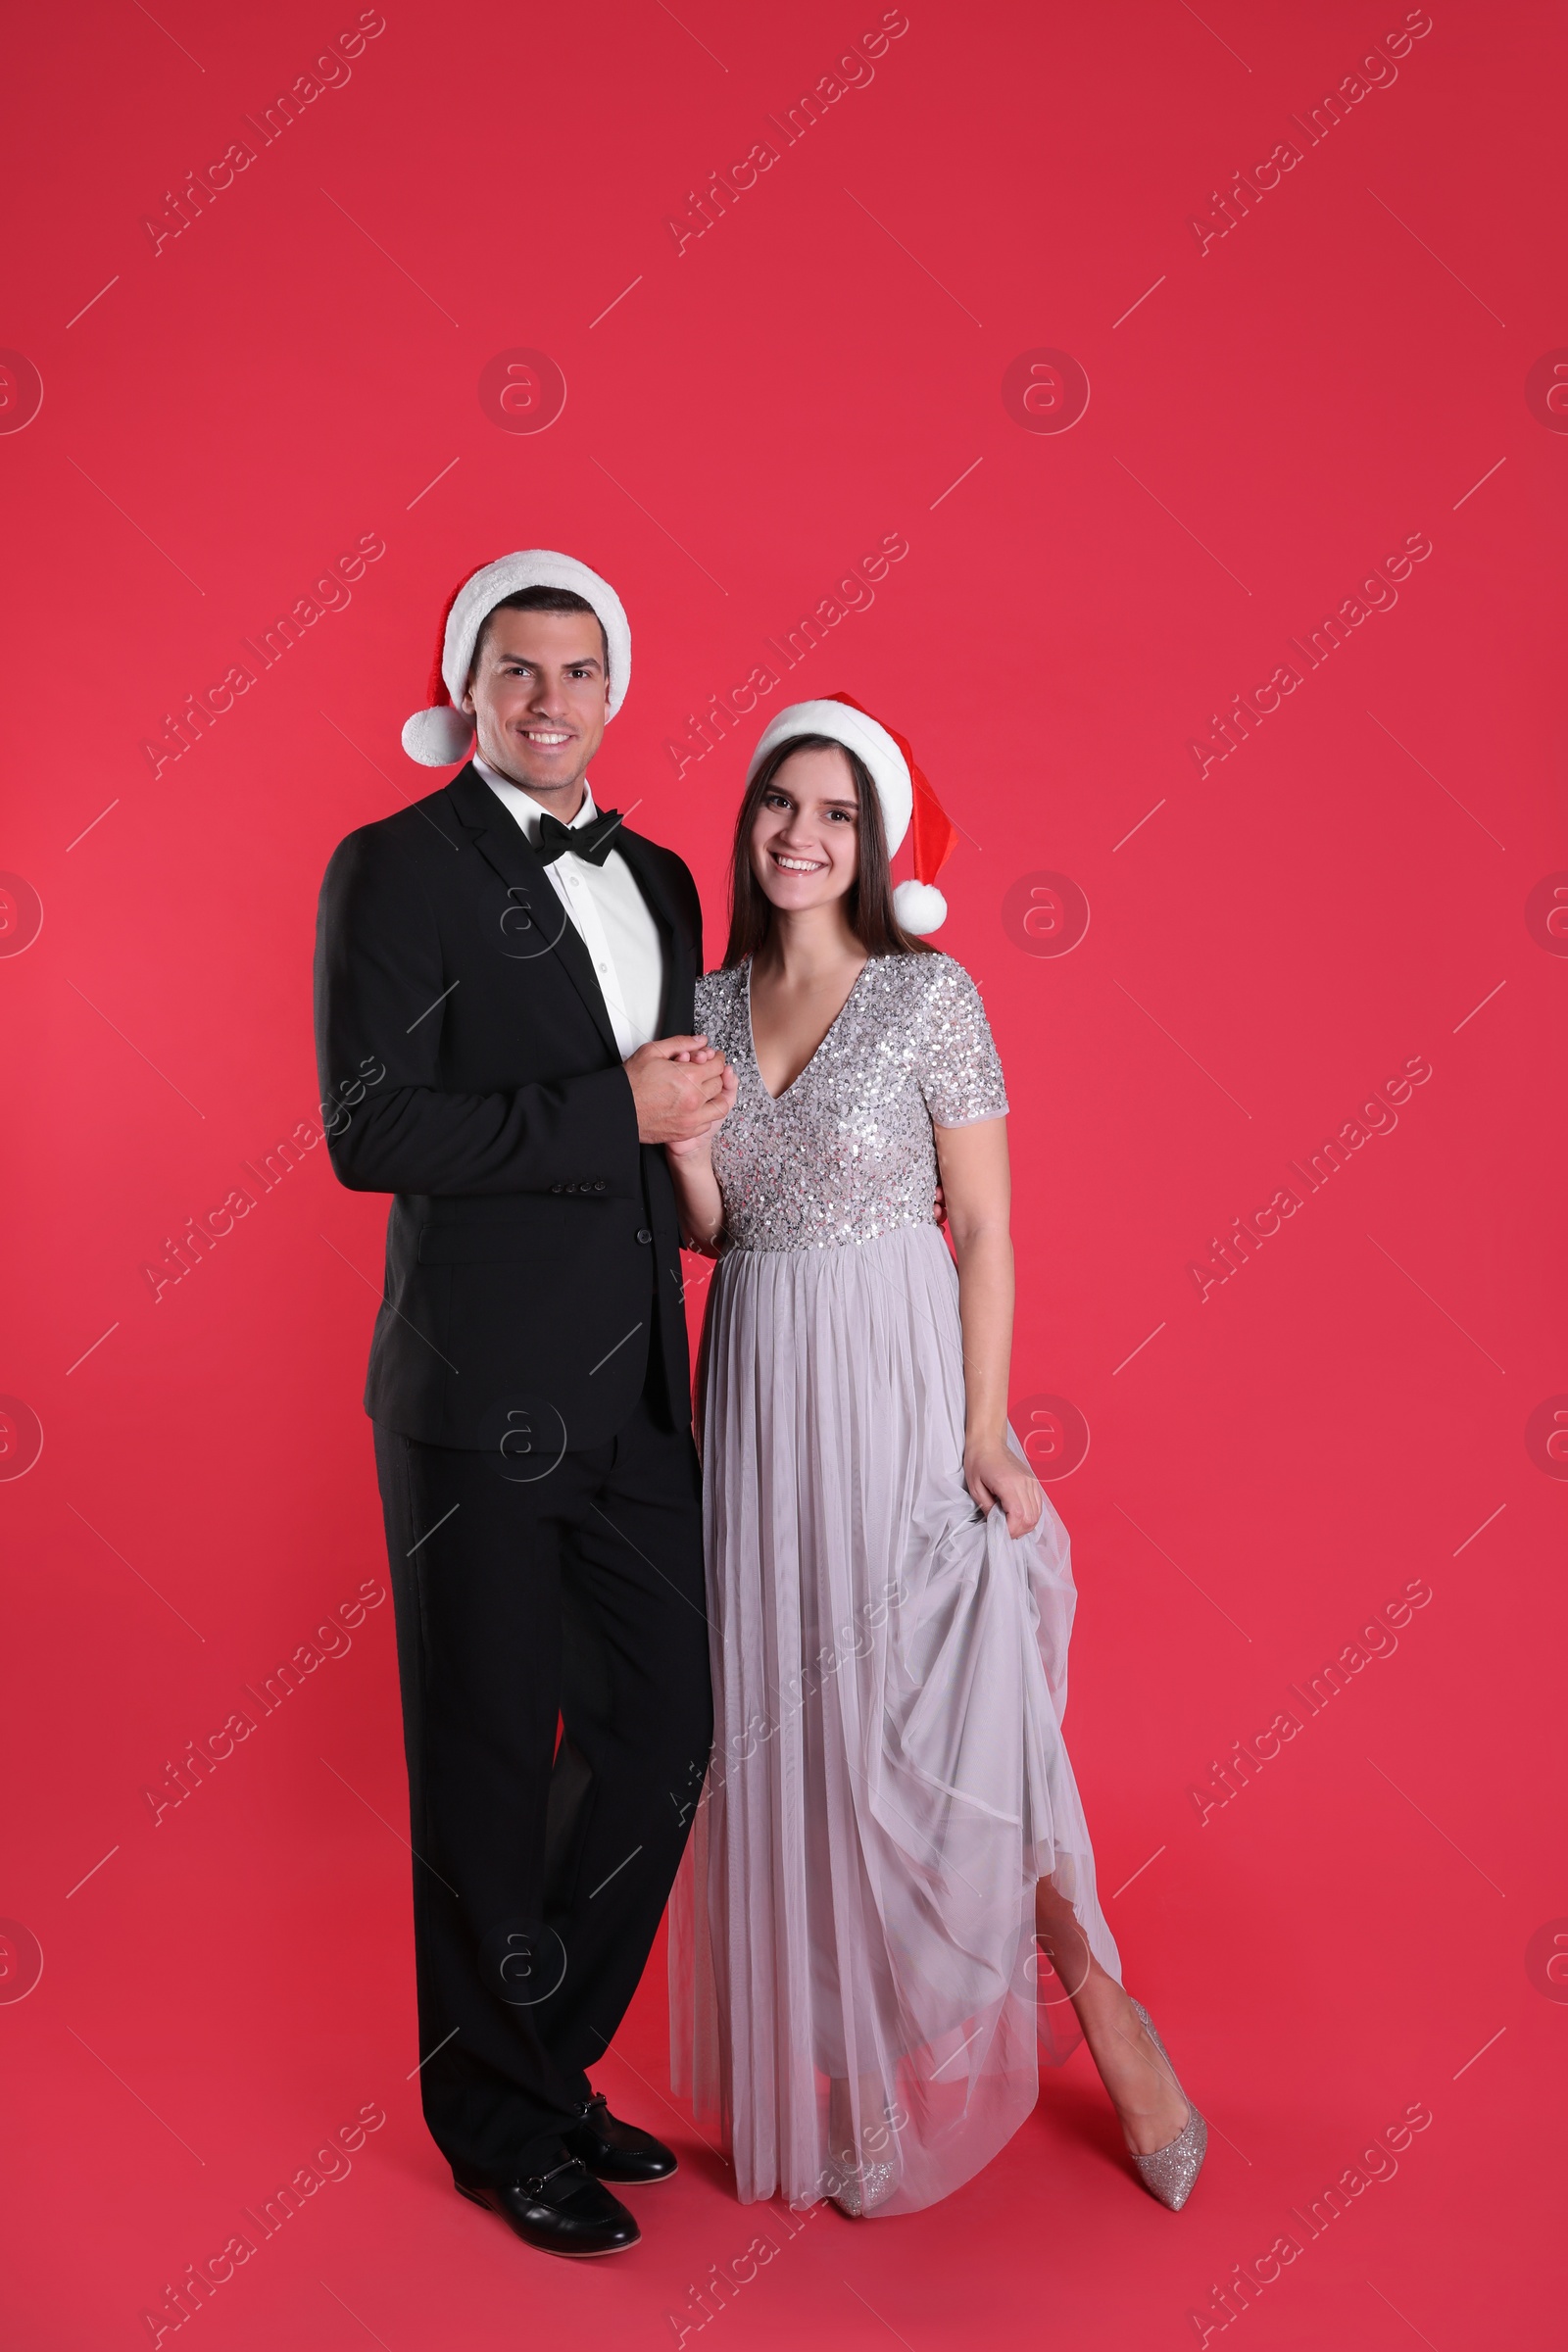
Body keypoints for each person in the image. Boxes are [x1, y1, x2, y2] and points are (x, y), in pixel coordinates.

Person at [666, 698, 1206, 2217]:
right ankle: (851, 2087)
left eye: (835, 815)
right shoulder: (701, 1004)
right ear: (751, 818)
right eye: (781, 804)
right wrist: (691, 1149)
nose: (800, 836)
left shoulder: (929, 996)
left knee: (953, 1725)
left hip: (901, 1387)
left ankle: (1106, 2010)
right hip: (763, 1392)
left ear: (874, 842)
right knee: (796, 1738)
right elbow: (716, 1236)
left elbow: (988, 1231)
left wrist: (982, 1426)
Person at [314, 550, 735, 2259]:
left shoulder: (665, 876)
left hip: (635, 1390)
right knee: (485, 1765)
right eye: (516, 673)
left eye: (577, 672)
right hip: (474, 1401)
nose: (548, 701)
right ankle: (497, 2123)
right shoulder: (393, 868)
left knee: (663, 1734)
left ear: (614, 690)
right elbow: (368, 1131)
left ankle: (537, 2069)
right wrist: (607, 1109)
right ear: (468, 693)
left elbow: (687, 1117)